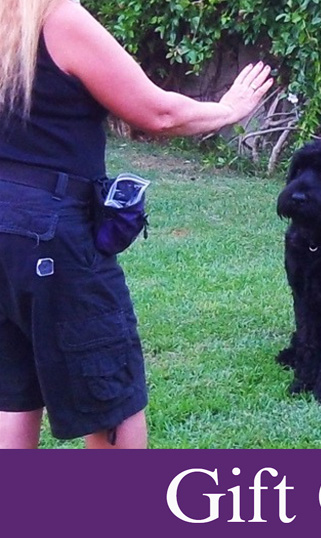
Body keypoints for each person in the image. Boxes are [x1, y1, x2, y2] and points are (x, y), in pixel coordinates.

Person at [0, 0, 274, 448]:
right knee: (112, 392)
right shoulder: (59, 18)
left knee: (13, 394)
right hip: (50, 236)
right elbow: (158, 113)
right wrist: (229, 110)